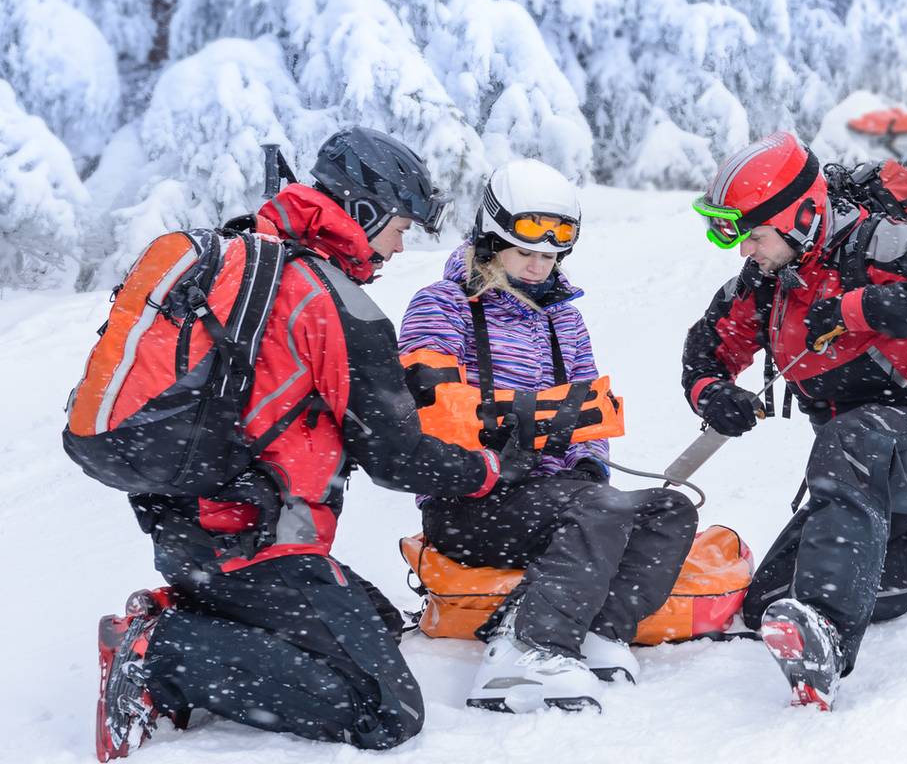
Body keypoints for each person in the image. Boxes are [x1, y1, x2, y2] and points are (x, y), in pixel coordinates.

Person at [94, 127, 539, 760]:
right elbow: (397, 459)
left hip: (194, 531)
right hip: (253, 547)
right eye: (401, 225)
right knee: (386, 712)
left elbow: (285, 395)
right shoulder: (334, 302)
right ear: (363, 211)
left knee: (381, 623)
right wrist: (493, 468)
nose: (401, 243)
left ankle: (193, 609)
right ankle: (157, 649)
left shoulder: (256, 258)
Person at [682, 131, 907, 710]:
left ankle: (825, 635)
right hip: (866, 478)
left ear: (798, 214)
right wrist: (712, 391)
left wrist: (855, 309)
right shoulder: (767, 280)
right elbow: (706, 346)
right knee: (767, 602)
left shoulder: (883, 245)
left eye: (754, 234)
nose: (745, 250)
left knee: (853, 439)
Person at [398, 159, 698, 714]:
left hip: (556, 498)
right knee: (601, 509)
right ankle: (525, 652)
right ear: (491, 244)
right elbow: (427, 409)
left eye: (550, 254)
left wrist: (586, 464)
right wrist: (503, 440)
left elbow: (589, 414)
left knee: (669, 510)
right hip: (469, 503)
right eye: (525, 252)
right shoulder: (443, 307)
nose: (539, 266)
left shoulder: (564, 320)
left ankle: (598, 631)